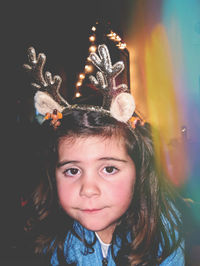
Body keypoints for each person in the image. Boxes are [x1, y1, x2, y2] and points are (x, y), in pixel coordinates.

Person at [22, 44, 185, 265]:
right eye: (72, 170)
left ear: (139, 171)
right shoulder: (55, 238)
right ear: (53, 174)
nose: (88, 189)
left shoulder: (163, 236)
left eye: (109, 169)